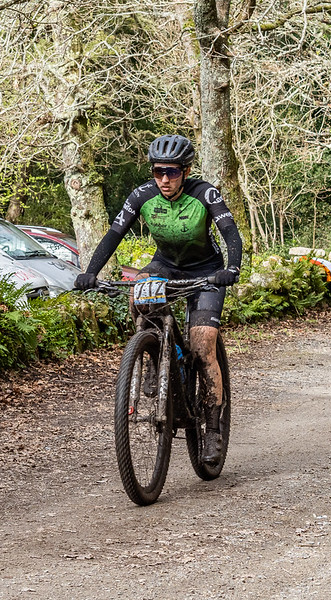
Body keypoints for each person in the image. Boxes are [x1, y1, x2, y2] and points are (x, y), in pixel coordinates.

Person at [74, 134, 242, 465]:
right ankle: (154, 355)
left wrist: (232, 268)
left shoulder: (204, 193)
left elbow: (231, 234)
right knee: (139, 295)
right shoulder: (142, 195)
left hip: (205, 271)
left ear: (186, 170)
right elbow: (113, 234)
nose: (165, 179)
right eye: (158, 171)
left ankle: (213, 430)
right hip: (164, 265)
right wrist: (90, 272)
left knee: (203, 344)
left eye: (173, 172)